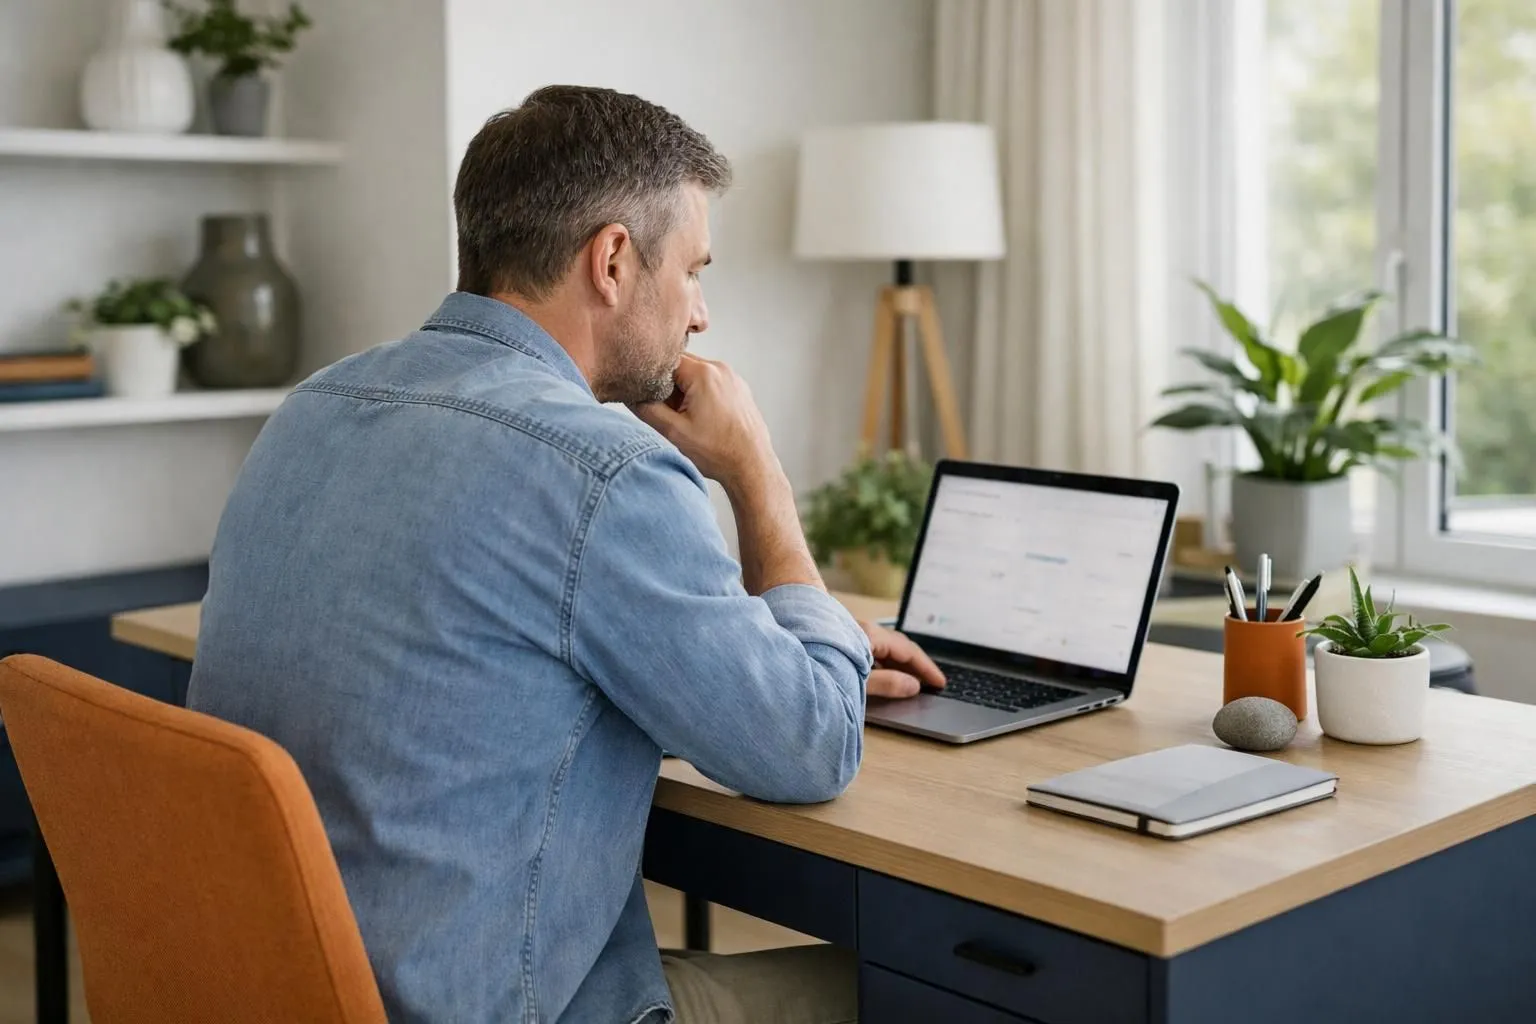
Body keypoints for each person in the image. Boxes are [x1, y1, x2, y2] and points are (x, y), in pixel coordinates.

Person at [186, 84, 945, 1024]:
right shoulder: (604, 470)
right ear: (615, 261)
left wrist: (781, 652)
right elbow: (812, 748)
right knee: (932, 991)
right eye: (697, 271)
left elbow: (477, 673)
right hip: (492, 1005)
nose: (701, 315)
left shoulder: (312, 408)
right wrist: (757, 477)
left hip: (281, 984)